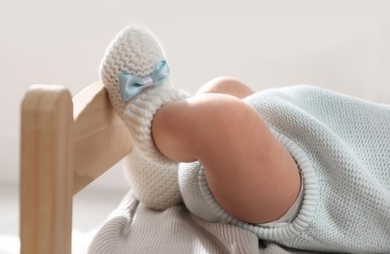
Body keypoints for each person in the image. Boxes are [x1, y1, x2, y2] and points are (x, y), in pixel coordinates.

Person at [99, 25, 390, 253]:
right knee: (224, 89)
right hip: (315, 131)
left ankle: (148, 112)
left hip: (313, 192)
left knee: (226, 122)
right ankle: (171, 176)